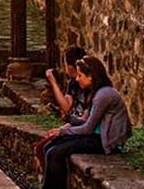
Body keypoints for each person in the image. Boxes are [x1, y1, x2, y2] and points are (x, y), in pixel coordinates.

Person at [41, 55, 132, 189]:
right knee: (49, 147)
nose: (77, 79)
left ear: (91, 76)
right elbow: (84, 121)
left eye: (80, 75)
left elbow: (88, 128)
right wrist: (66, 123)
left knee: (55, 152)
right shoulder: (94, 93)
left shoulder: (104, 95)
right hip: (95, 136)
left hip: (105, 142)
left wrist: (62, 132)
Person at [33, 46, 88, 176]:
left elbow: (84, 120)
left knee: (49, 149)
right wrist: (54, 83)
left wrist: (63, 130)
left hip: (81, 128)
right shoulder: (73, 83)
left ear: (70, 66)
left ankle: (51, 180)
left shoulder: (89, 86)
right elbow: (66, 106)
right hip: (74, 125)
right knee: (41, 147)